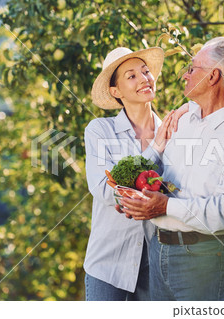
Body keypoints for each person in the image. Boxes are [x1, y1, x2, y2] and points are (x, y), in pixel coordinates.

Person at [118, 37, 224, 301]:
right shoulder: (183, 121)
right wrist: (142, 198)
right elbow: (168, 182)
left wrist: (165, 206)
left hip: (207, 258)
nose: (185, 76)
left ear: (213, 77)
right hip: (160, 251)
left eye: (192, 69)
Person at [84, 47, 186, 300]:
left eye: (145, 71)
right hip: (107, 265)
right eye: (131, 76)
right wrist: (156, 149)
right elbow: (103, 188)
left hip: (156, 266)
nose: (143, 78)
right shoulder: (100, 130)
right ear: (115, 92)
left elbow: (180, 191)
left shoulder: (175, 132)